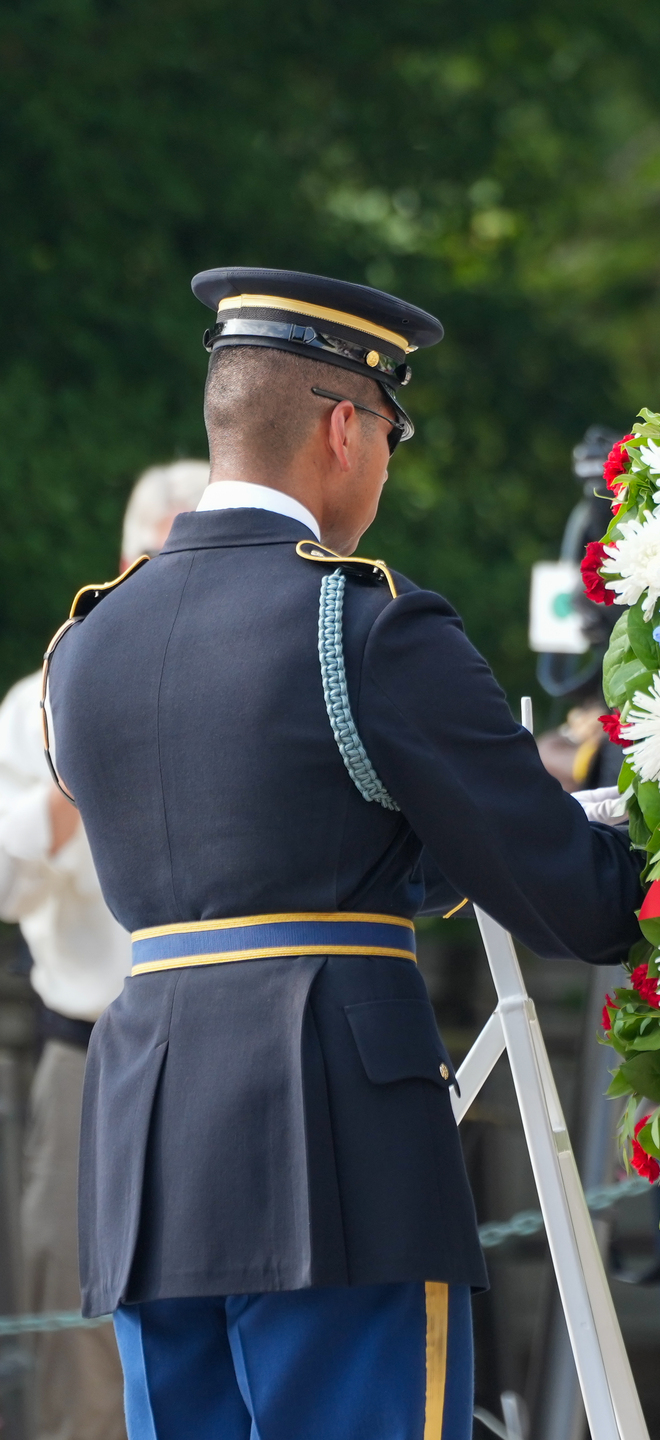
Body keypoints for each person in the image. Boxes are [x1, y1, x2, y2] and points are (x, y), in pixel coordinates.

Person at [42, 269, 643, 1439]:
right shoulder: (364, 621)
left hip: (146, 1146)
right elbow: (576, 901)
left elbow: (273, 842)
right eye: (387, 435)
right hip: (333, 1138)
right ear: (343, 427)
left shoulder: (86, 642)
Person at [0, 459, 208, 1440]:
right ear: (129, 560)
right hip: (87, 1058)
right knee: (77, 1340)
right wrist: (84, 764)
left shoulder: (254, 689)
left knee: (226, 1328)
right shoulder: (35, 703)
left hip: (224, 1056)